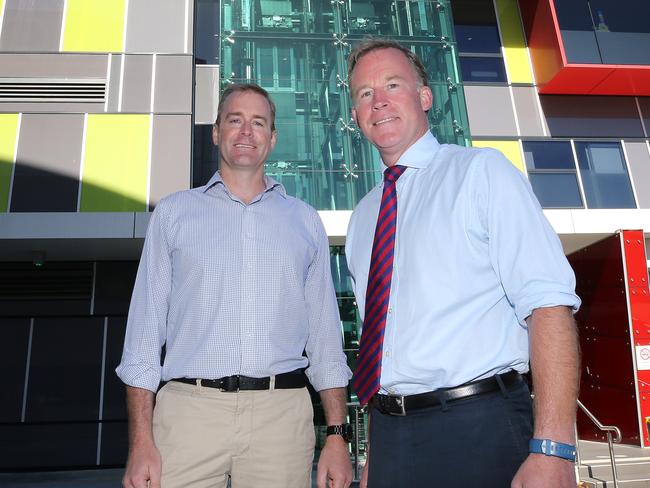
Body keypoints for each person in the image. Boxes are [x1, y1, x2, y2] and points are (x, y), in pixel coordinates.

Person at [344, 39, 581, 488]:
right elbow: (381, 351)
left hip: (481, 427)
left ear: (425, 96)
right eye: (364, 93)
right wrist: (375, 460)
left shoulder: (483, 173)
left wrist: (553, 448)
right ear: (356, 116)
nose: (379, 101)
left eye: (392, 84)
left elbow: (547, 305)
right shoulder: (362, 220)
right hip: (391, 437)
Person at [117, 83, 353, 488]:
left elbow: (326, 341)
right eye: (235, 120)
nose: (246, 132)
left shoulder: (305, 221)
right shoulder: (174, 213)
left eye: (258, 122)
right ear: (216, 131)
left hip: (282, 419)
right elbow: (142, 339)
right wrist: (140, 442)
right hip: (187, 416)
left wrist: (336, 435)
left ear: (273, 138)